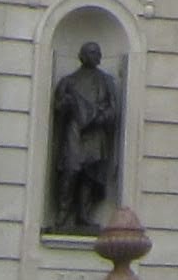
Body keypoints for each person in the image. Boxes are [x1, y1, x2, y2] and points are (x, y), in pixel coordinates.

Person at [50, 42, 123, 233]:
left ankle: (84, 215)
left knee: (89, 175)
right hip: (74, 132)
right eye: (92, 52)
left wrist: (99, 118)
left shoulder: (106, 81)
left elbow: (113, 109)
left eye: (98, 52)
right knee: (70, 171)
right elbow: (58, 106)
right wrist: (66, 104)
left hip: (96, 135)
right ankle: (62, 215)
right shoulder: (68, 82)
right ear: (82, 55)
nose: (97, 55)